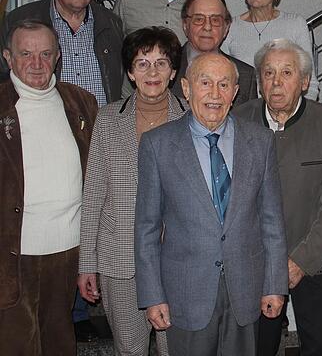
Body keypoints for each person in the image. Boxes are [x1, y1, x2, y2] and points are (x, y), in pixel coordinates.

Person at [134, 52, 288, 355]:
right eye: (205, 83)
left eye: (223, 84)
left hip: (246, 289)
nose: (214, 94)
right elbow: (147, 228)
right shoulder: (158, 144)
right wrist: (152, 295)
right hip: (186, 292)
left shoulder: (261, 141)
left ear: (235, 92)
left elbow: (271, 221)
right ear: (187, 89)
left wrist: (274, 284)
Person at [232, 38, 322, 356]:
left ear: (306, 81)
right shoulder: (237, 121)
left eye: (287, 72)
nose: (276, 82)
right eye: (268, 73)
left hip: (313, 261)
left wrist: (299, 261)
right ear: (259, 81)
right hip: (253, 263)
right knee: (255, 348)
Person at [77, 27, 186, 356]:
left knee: (177, 349)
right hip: (119, 258)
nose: (152, 72)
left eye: (161, 63)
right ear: (129, 72)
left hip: (177, 260)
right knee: (129, 349)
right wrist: (87, 264)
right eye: (142, 63)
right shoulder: (109, 119)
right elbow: (94, 192)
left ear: (173, 72)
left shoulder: (192, 118)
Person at [0, 20, 98, 355]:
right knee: (16, 344)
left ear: (57, 57)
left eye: (45, 53)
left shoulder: (81, 103)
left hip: (68, 250)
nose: (37, 64)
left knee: (59, 340)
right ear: (8, 58)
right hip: (12, 253)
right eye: (26, 54)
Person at [0, 0, 124, 107]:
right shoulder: (20, 21)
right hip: (44, 123)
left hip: (101, 126)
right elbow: (3, 75)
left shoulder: (111, 23)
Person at [222, 0, 319, 100]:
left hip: (287, 111)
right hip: (243, 112)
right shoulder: (230, 27)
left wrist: (299, 117)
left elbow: (310, 82)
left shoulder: (295, 24)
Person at [171, 0, 258, 106]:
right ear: (185, 25)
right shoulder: (166, 68)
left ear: (226, 28)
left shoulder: (245, 75)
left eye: (215, 20)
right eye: (199, 19)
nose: (207, 27)